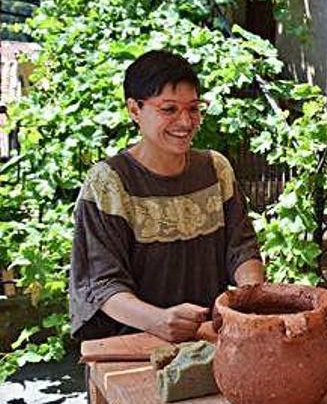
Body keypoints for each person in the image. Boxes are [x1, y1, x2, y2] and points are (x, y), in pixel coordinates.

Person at [69, 50, 264, 343]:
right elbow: (103, 284)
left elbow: (242, 248)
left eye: (194, 108)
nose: (185, 122)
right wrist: (158, 320)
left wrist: (248, 298)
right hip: (134, 344)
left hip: (213, 339)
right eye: (169, 109)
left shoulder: (216, 168)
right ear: (134, 110)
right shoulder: (108, 182)